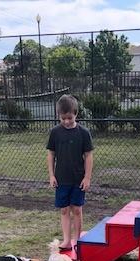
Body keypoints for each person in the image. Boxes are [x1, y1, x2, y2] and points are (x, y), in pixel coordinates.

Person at [46, 94, 94, 250]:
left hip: (78, 179)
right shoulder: (55, 132)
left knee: (77, 210)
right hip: (61, 180)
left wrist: (87, 177)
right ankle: (66, 241)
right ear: (59, 115)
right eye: (63, 118)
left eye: (70, 118)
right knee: (65, 210)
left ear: (76, 114)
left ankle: (77, 241)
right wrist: (52, 175)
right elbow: (51, 154)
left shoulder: (83, 133)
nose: (66, 121)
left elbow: (88, 156)